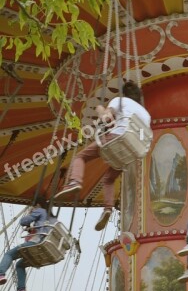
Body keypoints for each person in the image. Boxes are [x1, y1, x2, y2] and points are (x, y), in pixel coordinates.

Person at [55, 81, 151, 230]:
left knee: (80, 157)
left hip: (117, 139)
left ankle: (75, 181)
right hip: (132, 151)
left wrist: (100, 109)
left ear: (124, 93)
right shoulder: (146, 114)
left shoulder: (120, 101)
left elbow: (106, 119)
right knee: (109, 179)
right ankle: (107, 208)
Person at [0, 198, 58, 291]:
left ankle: (1, 273)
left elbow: (23, 222)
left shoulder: (40, 210)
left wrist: (31, 212)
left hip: (38, 243)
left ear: (37, 204)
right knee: (20, 265)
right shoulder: (52, 219)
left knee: (9, 254)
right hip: (48, 249)